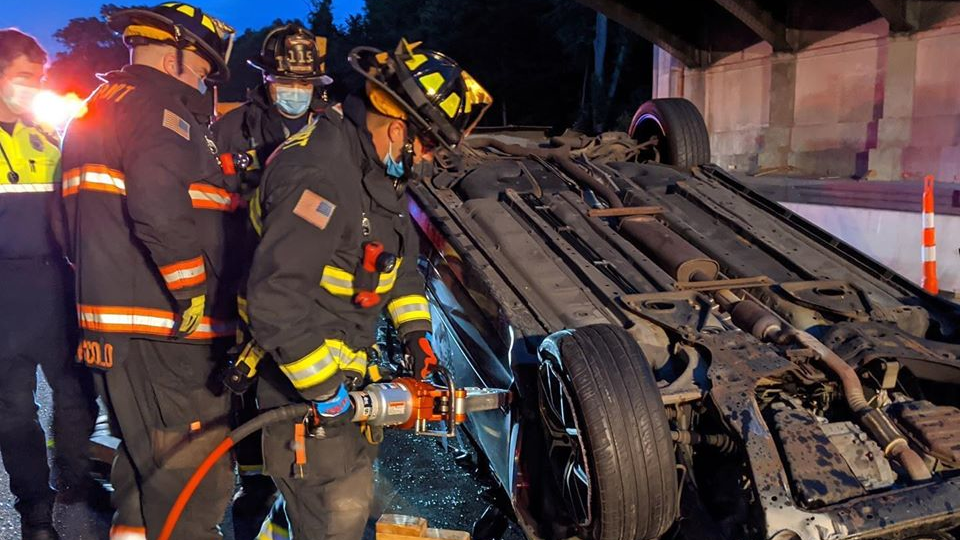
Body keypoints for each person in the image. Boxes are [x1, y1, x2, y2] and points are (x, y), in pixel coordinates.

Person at [242, 38, 492, 539]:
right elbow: (275, 302)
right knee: (336, 521)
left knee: (332, 512)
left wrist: (417, 335)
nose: (426, 160)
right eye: (426, 147)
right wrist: (326, 392)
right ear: (398, 129)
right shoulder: (318, 173)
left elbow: (398, 269)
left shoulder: (376, 171)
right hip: (304, 391)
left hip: (350, 384)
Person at [58, 3, 243, 539]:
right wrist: (191, 289)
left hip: (115, 326)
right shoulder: (162, 110)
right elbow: (159, 204)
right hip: (166, 330)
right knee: (193, 481)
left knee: (143, 474)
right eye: (204, 73)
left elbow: (62, 222)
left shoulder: (95, 110)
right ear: (175, 58)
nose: (204, 87)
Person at [0, 28, 101, 540]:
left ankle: (75, 483)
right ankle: (36, 510)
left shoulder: (45, 135)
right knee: (13, 406)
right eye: (23, 78)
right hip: (1, 291)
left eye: (38, 79)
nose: (33, 88)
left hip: (54, 280)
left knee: (78, 392)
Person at [213, 23, 332, 196]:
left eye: (305, 82)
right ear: (266, 78)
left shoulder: (332, 127)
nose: (296, 89)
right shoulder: (233, 128)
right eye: (285, 82)